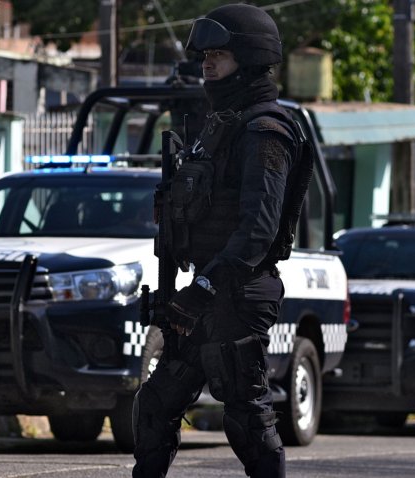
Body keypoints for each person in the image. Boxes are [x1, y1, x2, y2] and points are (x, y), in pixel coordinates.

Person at [132, 4, 306, 477]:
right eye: (205, 55)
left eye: (219, 55)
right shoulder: (219, 128)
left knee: (247, 418)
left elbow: (258, 229)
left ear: (248, 58)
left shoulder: (265, 131)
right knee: (153, 409)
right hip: (203, 293)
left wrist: (204, 288)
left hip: (238, 292)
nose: (207, 64)